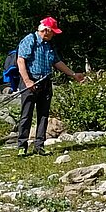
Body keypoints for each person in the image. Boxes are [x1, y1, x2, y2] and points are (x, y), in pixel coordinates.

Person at [17, 16, 85, 157]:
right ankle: (22, 146)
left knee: (43, 115)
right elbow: (21, 60)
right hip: (30, 82)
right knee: (26, 115)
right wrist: (27, 81)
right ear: (46, 30)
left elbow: (57, 62)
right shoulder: (30, 40)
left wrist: (73, 74)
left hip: (45, 83)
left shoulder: (49, 45)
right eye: (53, 31)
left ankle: (39, 146)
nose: (54, 34)